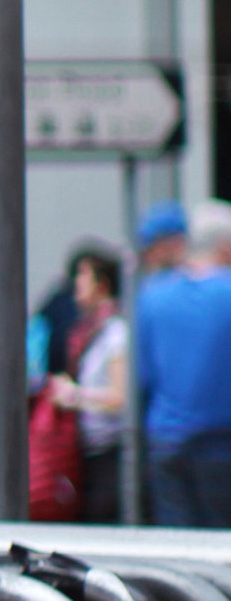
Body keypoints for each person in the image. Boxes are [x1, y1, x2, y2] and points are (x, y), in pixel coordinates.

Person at [140, 202, 231, 529]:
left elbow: (143, 376)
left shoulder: (152, 295)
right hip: (221, 443)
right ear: (225, 247)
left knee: (177, 547)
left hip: (167, 440)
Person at [44, 246, 128, 524]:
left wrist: (76, 395)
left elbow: (121, 397)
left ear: (102, 286)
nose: (75, 285)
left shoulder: (115, 333)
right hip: (87, 447)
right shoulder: (86, 331)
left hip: (109, 451)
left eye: (82, 276)